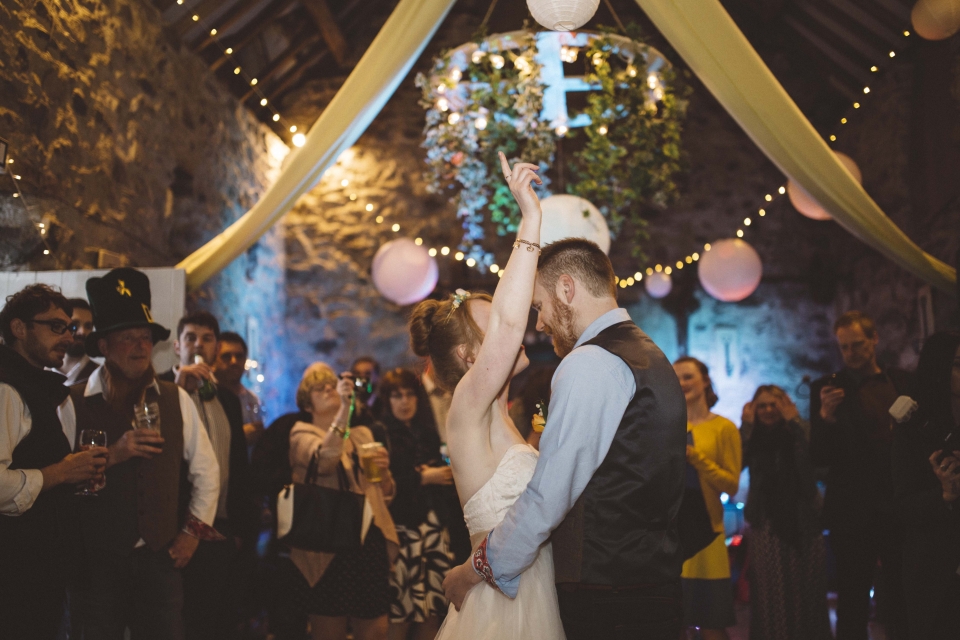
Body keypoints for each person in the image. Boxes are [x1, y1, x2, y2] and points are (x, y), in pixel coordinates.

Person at [428, 153, 687, 639]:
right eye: (518, 315)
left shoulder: (584, 370)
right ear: (469, 357)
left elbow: (551, 494)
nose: (530, 325)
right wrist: (530, 219)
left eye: (536, 308)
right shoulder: (467, 403)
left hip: (558, 589)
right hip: (509, 600)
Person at [59, 267, 222, 639]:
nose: (141, 347)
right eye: (128, 338)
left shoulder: (174, 398)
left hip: (158, 562)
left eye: (146, 338)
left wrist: (191, 534)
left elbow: (207, 473)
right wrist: (113, 454)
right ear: (103, 346)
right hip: (94, 566)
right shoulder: (73, 402)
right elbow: (57, 478)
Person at [0, 285, 108, 640]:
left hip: (41, 568)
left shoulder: (36, 384)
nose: (67, 337)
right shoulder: (7, 388)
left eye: (70, 329)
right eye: (55, 327)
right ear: (19, 328)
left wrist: (74, 474)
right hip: (16, 573)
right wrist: (61, 472)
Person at [809, 311, 910, 640]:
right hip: (851, 510)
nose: (851, 353)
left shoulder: (902, 382)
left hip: (899, 504)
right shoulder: (827, 388)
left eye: (857, 345)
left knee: (902, 597)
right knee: (852, 600)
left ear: (874, 340)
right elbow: (819, 457)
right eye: (844, 347)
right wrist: (825, 417)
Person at [161, 311, 258, 640]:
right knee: (175, 620)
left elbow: (237, 465)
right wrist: (179, 389)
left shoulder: (228, 399)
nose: (198, 345)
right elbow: (158, 451)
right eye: (190, 338)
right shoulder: (160, 388)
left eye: (206, 338)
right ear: (177, 346)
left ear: (216, 347)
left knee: (215, 620)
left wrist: (241, 527)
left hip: (221, 528)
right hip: (175, 526)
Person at [285, 363, 399, 640]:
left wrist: (383, 473)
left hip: (368, 542)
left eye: (330, 384)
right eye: (318, 387)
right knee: (329, 630)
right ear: (306, 404)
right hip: (327, 547)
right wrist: (345, 410)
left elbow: (385, 494)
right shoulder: (301, 433)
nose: (328, 389)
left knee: (376, 630)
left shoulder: (363, 436)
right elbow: (325, 461)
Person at [373, 368, 457, 640]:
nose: (405, 402)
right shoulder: (380, 432)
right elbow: (381, 485)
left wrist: (429, 475)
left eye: (410, 394)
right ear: (387, 399)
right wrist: (423, 476)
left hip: (432, 526)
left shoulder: (426, 430)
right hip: (400, 529)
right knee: (401, 612)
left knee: (431, 610)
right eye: (397, 396)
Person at [740, 385, 830, 640]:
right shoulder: (751, 437)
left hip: (803, 520)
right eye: (762, 405)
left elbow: (816, 463)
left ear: (786, 406)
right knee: (772, 593)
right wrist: (746, 428)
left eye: (774, 404)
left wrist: (797, 423)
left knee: (808, 590)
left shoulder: (801, 431)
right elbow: (737, 463)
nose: (768, 410)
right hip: (765, 521)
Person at [891, 331, 960, 639]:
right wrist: (944, 493)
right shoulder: (915, 427)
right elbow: (903, 505)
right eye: (957, 364)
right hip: (936, 567)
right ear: (940, 368)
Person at [672, 356, 740, 639]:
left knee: (711, 622)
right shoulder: (667, 426)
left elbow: (731, 484)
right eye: (676, 378)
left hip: (708, 535)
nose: (682, 383)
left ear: (705, 381)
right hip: (673, 535)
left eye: (688, 376)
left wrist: (697, 459)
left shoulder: (723, 428)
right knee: (676, 623)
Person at [216, 331, 265, 448]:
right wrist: (240, 436)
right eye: (226, 356)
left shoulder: (252, 399)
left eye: (239, 356)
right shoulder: (209, 396)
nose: (234, 361)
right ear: (214, 360)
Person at [57, 297, 99, 386]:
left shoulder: (99, 375)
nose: (82, 332)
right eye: (74, 324)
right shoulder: (43, 369)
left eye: (88, 326)